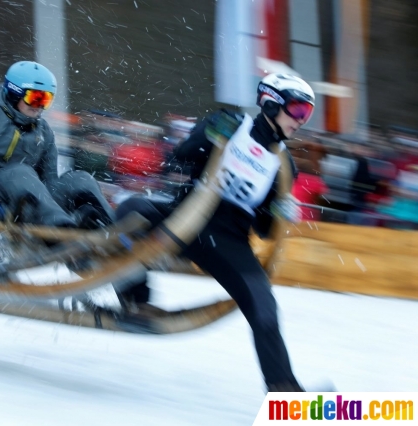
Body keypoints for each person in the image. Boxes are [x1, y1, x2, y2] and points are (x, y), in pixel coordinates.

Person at [115, 73, 315, 392]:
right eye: (298, 109)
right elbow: (178, 160)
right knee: (129, 211)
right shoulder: (231, 124)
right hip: (184, 218)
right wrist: (207, 136)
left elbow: (263, 230)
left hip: (226, 239)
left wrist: (278, 211)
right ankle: (135, 303)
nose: (302, 120)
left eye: (307, 113)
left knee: (264, 308)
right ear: (271, 101)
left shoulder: (283, 164)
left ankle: (283, 389)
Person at [0, 61, 115, 234]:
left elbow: (49, 181)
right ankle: (58, 231)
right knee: (20, 172)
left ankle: (111, 226)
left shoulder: (43, 132)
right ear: (15, 93)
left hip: (31, 202)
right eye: (35, 98)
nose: (40, 107)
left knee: (80, 179)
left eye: (46, 100)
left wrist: (69, 201)